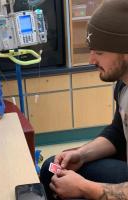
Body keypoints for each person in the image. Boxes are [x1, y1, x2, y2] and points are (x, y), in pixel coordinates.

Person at [40, 0, 128, 199]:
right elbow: (117, 134)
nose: (91, 60)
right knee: (51, 168)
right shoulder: (123, 85)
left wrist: (86, 188)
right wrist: (81, 154)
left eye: (99, 52)